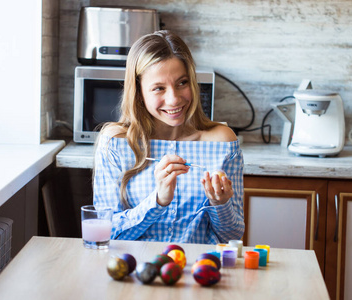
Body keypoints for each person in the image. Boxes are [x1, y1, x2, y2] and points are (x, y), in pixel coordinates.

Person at [93, 30, 244, 244]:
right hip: (135, 269)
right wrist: (158, 201)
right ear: (138, 93)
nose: (174, 99)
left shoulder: (222, 142)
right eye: (158, 88)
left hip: (201, 271)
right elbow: (104, 234)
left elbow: (232, 236)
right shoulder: (116, 143)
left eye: (182, 83)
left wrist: (220, 204)